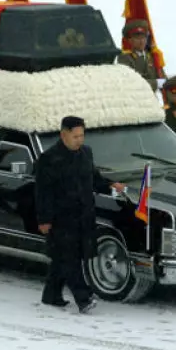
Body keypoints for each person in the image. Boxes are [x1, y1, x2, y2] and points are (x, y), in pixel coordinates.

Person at [35, 115, 126, 313]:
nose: (79, 140)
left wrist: (110, 184)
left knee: (63, 258)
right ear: (63, 135)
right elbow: (43, 192)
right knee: (70, 259)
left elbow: (94, 178)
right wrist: (44, 219)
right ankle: (83, 298)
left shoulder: (86, 153)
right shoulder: (49, 159)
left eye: (82, 136)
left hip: (84, 215)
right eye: (75, 136)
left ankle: (51, 295)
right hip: (61, 218)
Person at [117, 20, 165, 91]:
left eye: (144, 37)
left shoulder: (153, 56)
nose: (141, 41)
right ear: (130, 40)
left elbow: (163, 78)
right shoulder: (125, 58)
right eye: (137, 38)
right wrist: (156, 83)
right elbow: (131, 82)